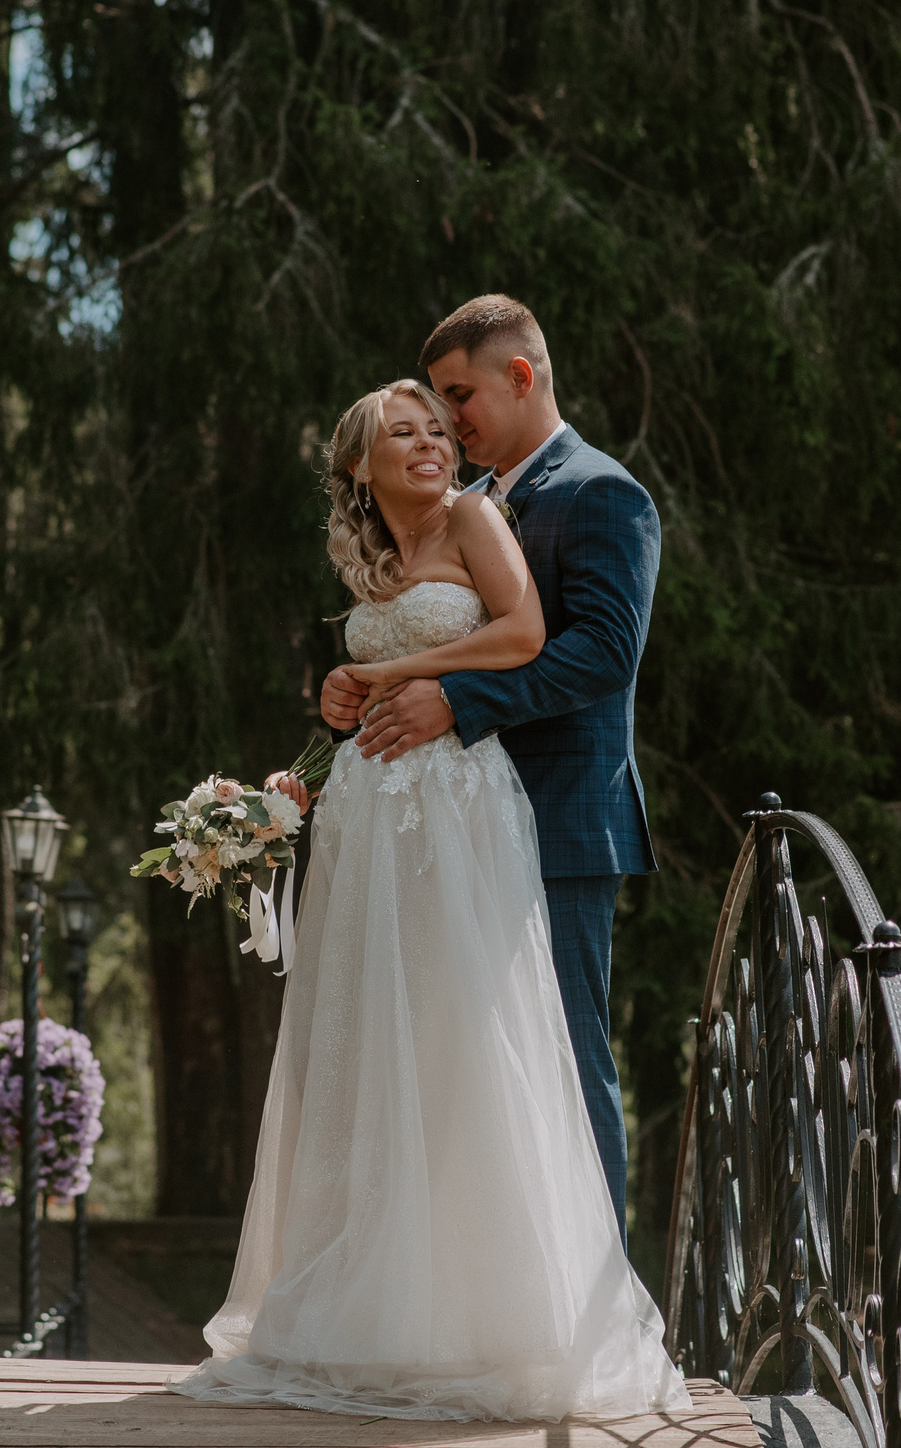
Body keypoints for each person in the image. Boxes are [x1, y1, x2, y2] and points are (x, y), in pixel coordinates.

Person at [172, 378, 689, 1423]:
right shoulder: (367, 558)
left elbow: (526, 633)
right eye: (401, 431)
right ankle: (375, 1314)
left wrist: (404, 664)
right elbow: (377, 685)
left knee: (476, 1038)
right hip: (368, 818)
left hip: (456, 808)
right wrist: (329, 710)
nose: (430, 441)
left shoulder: (474, 515)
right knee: (371, 1044)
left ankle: (520, 1316)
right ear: (356, 465)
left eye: (436, 426)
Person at [330, 294, 660, 1234]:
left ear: (520, 376)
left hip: (557, 820)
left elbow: (602, 653)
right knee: (468, 1074)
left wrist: (460, 704)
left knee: (558, 1058)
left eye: (458, 395)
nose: (449, 422)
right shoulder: (463, 510)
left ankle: (596, 1311)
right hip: (458, 824)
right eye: (433, 405)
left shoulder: (601, 491)